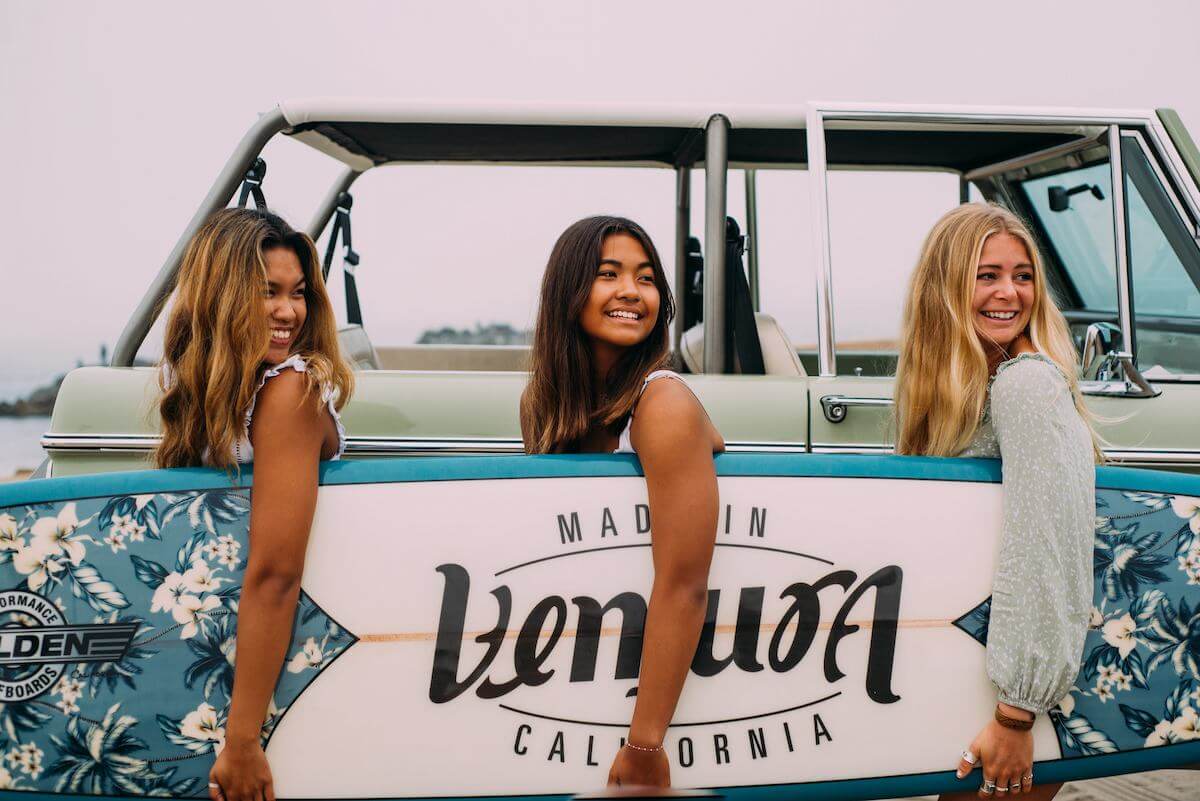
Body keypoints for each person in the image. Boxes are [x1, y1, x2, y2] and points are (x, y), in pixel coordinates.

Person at [895, 203, 1100, 800]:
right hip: (978, 668)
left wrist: (1018, 713)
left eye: (1023, 275)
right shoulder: (956, 390)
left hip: (1022, 690)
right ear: (947, 285)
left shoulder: (1026, 384)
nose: (1009, 293)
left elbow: (1046, 548)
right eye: (987, 275)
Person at [154, 207, 354, 801]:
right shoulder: (217, 391)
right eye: (268, 293)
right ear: (221, 295)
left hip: (292, 659)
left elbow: (275, 573)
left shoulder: (290, 386)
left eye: (297, 295)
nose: (290, 312)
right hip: (233, 656)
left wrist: (242, 741)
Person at [520, 215, 724, 787]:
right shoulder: (544, 403)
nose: (633, 292)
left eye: (647, 278)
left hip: (655, 716)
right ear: (568, 291)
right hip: (583, 682)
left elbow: (685, 584)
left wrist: (644, 745)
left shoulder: (662, 406)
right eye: (608, 274)